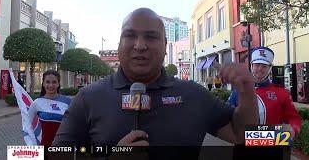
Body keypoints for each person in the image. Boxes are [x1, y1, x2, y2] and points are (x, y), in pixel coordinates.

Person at [53, 8, 258, 157]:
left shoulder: (194, 95)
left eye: (151, 37)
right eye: (130, 36)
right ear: (119, 44)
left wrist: (247, 91)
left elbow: (241, 137)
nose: (140, 45)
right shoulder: (88, 98)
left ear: (165, 46)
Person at [227, 47, 301, 138]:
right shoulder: (238, 90)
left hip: (272, 146)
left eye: (264, 66)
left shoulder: (282, 93)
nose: (260, 69)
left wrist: (292, 130)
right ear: (251, 66)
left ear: (270, 68)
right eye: (257, 65)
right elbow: (227, 115)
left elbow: (294, 119)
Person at [27, 70, 71, 146]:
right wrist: (31, 143)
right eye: (47, 82)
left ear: (58, 84)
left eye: (54, 82)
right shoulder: (37, 103)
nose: (50, 85)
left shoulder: (68, 102)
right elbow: (27, 125)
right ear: (43, 84)